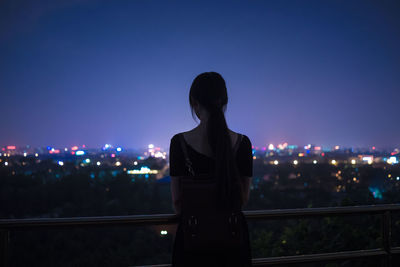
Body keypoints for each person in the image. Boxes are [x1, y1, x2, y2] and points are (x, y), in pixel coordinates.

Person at [169, 72, 253, 267]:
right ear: (224, 102)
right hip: (232, 241)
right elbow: (243, 198)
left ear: (194, 103)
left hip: (193, 240)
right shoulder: (242, 143)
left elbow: (177, 202)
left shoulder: (179, 143)